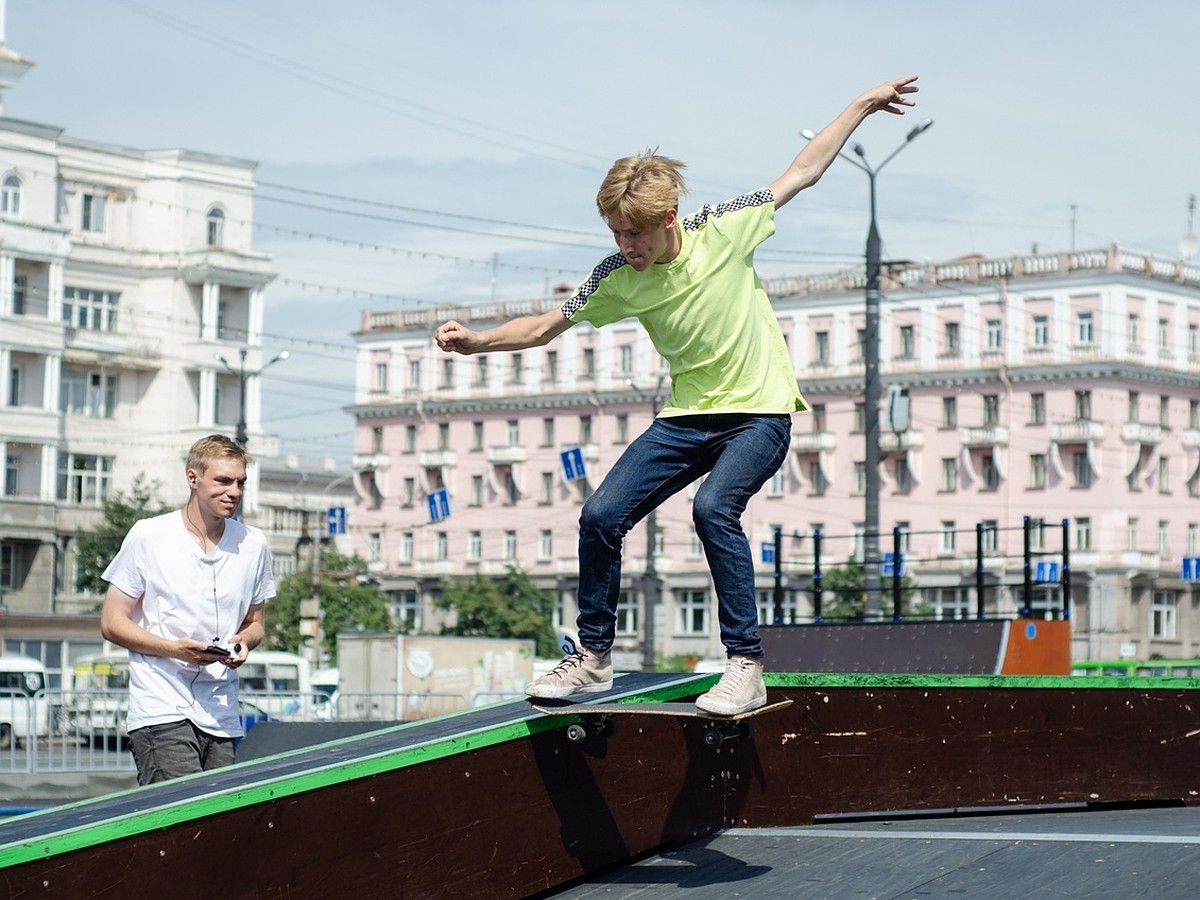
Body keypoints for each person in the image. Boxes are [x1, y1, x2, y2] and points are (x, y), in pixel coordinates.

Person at [436, 76, 920, 715]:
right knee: (600, 516)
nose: (625, 248)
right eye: (615, 234)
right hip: (688, 419)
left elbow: (801, 172)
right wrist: (477, 342)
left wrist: (860, 104)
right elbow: (547, 325)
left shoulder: (724, 228)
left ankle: (744, 666)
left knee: (713, 507)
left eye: (635, 234)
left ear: (668, 220)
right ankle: (594, 660)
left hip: (759, 414)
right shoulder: (615, 275)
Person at [100, 434, 276, 784]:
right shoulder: (149, 535)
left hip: (221, 711)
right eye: (223, 481)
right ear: (192, 479)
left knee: (218, 823)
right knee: (181, 816)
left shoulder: (254, 544)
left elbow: (256, 624)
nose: (234, 492)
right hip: (161, 706)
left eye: (241, 482)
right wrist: (175, 649)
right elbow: (111, 622)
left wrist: (243, 641)